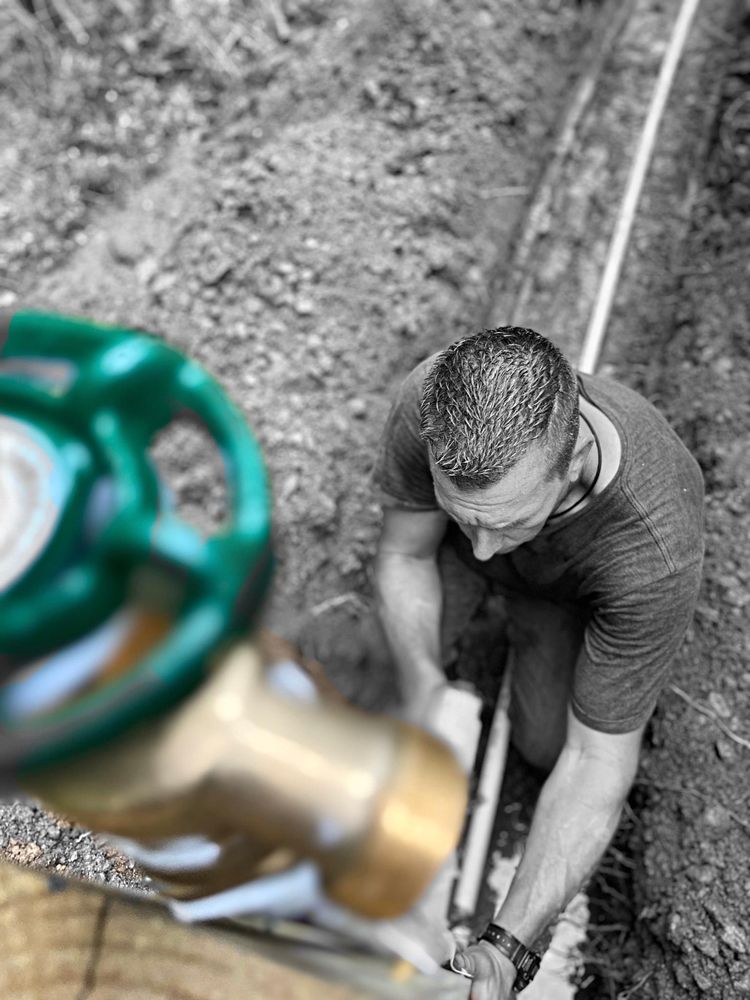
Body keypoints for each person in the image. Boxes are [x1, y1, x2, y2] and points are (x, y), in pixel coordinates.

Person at [372, 326, 704, 998]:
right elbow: (406, 554)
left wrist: (506, 946)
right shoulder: (430, 402)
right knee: (376, 681)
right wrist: (423, 685)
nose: (487, 550)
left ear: (575, 459)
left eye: (512, 521)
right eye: (465, 514)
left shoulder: (653, 551)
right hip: (448, 556)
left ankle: (532, 631)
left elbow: (597, 762)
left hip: (569, 592)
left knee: (546, 747)